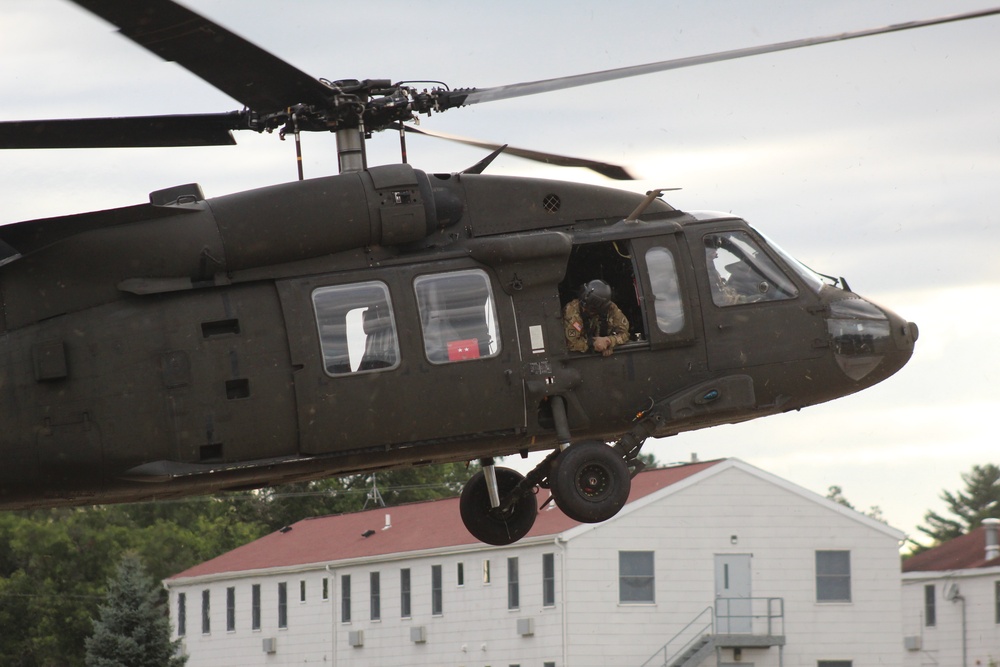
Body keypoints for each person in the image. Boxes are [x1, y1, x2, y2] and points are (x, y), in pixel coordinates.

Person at [563, 279, 630, 356]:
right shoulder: (572, 312)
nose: (584, 308)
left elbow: (625, 334)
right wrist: (593, 344)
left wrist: (609, 341)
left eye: (589, 307)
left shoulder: (611, 309)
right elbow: (571, 343)